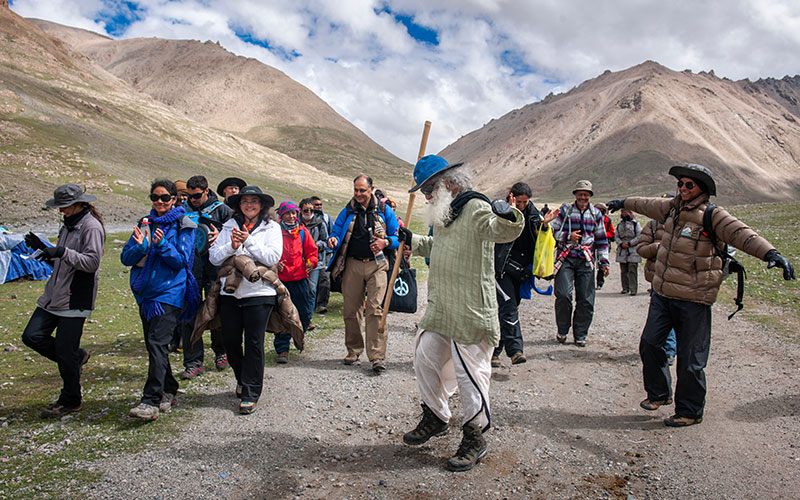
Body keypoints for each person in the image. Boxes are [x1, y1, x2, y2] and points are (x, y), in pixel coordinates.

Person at [607, 164, 795, 426]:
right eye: (680, 184)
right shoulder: (671, 208)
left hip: (694, 299)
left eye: (689, 185)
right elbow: (646, 204)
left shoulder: (713, 216)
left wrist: (771, 254)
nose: (683, 189)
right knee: (650, 343)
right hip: (662, 295)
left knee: (691, 359)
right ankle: (660, 394)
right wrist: (623, 201)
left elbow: (742, 234)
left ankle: (690, 410)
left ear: (702, 189)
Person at [397, 155, 524, 472]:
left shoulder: (475, 208)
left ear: (447, 183)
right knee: (424, 356)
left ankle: (475, 436)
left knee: (471, 376)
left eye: (428, 188)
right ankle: (437, 416)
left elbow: (504, 231)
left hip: (470, 309)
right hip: (443, 309)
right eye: (424, 190)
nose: (426, 196)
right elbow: (437, 245)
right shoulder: (446, 214)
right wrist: (411, 240)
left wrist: (509, 214)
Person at [21, 184, 105, 418]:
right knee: (31, 336)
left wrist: (60, 252)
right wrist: (43, 250)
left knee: (64, 351)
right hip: (52, 296)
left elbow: (91, 263)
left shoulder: (91, 226)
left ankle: (71, 399)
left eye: (64, 207)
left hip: (75, 297)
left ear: (79, 204)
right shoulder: (68, 225)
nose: (60, 211)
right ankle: (77, 357)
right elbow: (63, 263)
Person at [121, 179, 198, 420]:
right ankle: (169, 389)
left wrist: (163, 245)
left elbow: (182, 261)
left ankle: (150, 400)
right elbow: (126, 258)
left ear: (174, 198)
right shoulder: (144, 223)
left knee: (156, 343)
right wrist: (141, 247)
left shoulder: (184, 223)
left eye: (165, 197)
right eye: (155, 197)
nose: (160, 202)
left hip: (170, 292)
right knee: (154, 346)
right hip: (145, 293)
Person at [209, 186, 282, 414]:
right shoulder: (229, 226)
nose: (249, 205)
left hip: (260, 293)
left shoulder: (272, 227)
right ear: (238, 205)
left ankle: (251, 392)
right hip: (230, 292)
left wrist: (248, 241)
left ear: (262, 206)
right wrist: (231, 246)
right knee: (230, 340)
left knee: (254, 343)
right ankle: (242, 378)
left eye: (254, 201)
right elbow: (213, 257)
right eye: (245, 201)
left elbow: (272, 257)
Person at [327, 175, 400, 373]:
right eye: (356, 190)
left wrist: (385, 242)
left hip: (378, 265)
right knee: (351, 310)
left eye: (362, 190)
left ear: (371, 189)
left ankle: (377, 356)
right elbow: (336, 231)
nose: (358, 194)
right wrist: (333, 239)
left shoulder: (385, 210)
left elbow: (397, 236)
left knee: (376, 309)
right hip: (352, 264)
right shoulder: (348, 209)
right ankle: (353, 350)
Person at [491, 182, 555, 367]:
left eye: (525, 202)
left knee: (508, 310)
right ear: (511, 197)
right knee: (508, 307)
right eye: (519, 201)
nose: (522, 205)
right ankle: (516, 350)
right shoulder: (501, 208)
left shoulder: (533, 213)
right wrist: (511, 210)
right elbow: (497, 208)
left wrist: (544, 226)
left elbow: (539, 234)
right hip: (501, 269)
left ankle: (494, 351)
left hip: (521, 272)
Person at [179, 175, 233, 378]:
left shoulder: (222, 210)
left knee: (216, 311)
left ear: (207, 191)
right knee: (189, 314)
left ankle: (222, 352)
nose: (193, 200)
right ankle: (193, 361)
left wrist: (221, 236)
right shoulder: (184, 211)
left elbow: (236, 234)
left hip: (215, 268)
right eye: (190, 196)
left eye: (197, 196)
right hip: (190, 269)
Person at [548, 180, 610, 347]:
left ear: (590, 196)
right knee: (563, 294)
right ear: (575, 194)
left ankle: (580, 333)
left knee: (586, 299)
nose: (583, 197)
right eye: (580, 193)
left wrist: (605, 262)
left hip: (586, 260)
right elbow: (553, 231)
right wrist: (568, 236)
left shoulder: (596, 214)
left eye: (586, 194)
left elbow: (602, 239)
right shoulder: (565, 211)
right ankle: (562, 329)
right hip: (566, 258)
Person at [274, 201, 318, 363]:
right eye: (288, 213)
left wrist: (311, 263)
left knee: (305, 313)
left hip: (300, 279)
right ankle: (282, 349)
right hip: (281, 280)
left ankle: (298, 334)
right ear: (282, 215)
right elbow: (270, 251)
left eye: (294, 213)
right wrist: (275, 263)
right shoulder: (275, 232)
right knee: (282, 315)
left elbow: (312, 252)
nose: (292, 217)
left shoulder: (302, 232)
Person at [636, 205, 676, 365]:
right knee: (661, 315)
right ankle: (665, 349)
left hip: (679, 279)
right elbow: (641, 249)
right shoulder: (651, 226)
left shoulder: (686, 224)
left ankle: (670, 349)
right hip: (657, 278)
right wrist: (657, 247)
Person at [298, 198, 329, 325]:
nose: (309, 212)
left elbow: (325, 241)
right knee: (300, 290)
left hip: (314, 262)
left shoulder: (320, 223)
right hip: (298, 262)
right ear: (300, 210)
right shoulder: (296, 223)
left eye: (312, 210)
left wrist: (316, 245)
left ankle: (308, 319)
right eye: (306, 210)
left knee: (311, 290)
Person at [311, 196, 333, 314]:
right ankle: (312, 304)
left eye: (320, 204)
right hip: (310, 254)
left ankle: (322, 304)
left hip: (325, 253)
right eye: (316, 205)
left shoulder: (326, 218)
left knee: (325, 278)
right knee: (312, 281)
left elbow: (330, 234)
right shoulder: (306, 219)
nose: (319, 207)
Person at [615, 209, 642, 295]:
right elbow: (616, 236)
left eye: (625, 211)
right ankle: (625, 288)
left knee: (632, 270)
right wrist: (621, 243)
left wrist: (630, 243)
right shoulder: (619, 225)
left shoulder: (636, 224)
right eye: (622, 212)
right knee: (623, 270)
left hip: (633, 250)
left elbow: (639, 236)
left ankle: (633, 289)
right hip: (622, 250)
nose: (623, 213)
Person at [593, 203, 615, 290]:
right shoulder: (591, 218)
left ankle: (599, 282)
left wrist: (603, 235)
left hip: (603, 243)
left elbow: (612, 232)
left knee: (601, 263)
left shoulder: (607, 220)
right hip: (591, 243)